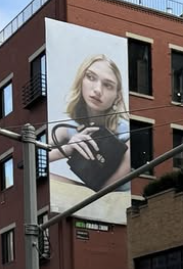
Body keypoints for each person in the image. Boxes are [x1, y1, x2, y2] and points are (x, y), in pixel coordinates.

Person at [48, 54, 131, 192]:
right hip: (87, 200)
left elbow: (102, 192)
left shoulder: (127, 133)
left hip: (117, 202)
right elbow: (29, 163)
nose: (98, 90)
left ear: (118, 96)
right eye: (91, 77)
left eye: (108, 85)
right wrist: (65, 150)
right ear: (81, 80)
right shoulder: (68, 127)